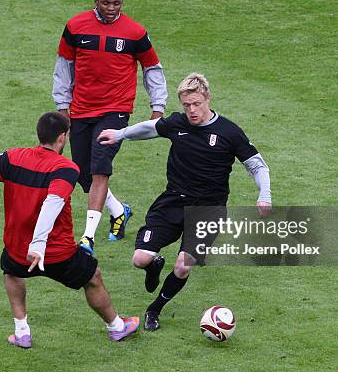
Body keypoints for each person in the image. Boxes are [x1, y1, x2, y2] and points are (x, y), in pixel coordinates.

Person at [0, 112, 140, 348]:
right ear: (62, 138)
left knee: (12, 272)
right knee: (92, 278)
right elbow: (52, 203)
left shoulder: (12, 159)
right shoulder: (66, 168)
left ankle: (22, 333)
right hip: (55, 252)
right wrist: (38, 244)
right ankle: (117, 327)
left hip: (18, 250)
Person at [98, 73, 272, 331]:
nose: (192, 110)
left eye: (197, 104)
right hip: (172, 202)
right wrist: (120, 133)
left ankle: (154, 309)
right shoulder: (178, 123)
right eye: (187, 105)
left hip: (208, 210)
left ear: (208, 99)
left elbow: (256, 165)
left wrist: (264, 194)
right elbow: (150, 128)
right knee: (140, 259)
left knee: (182, 265)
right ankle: (154, 264)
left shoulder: (228, 132)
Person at [52, 0, 168, 254]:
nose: (111, 8)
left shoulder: (135, 32)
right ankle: (119, 210)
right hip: (80, 109)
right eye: (106, 3)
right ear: (96, 1)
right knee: (82, 172)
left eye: (116, 3)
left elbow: (152, 68)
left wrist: (158, 107)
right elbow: (64, 66)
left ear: (122, 3)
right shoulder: (75, 27)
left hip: (115, 111)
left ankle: (87, 238)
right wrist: (62, 105)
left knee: (100, 166)